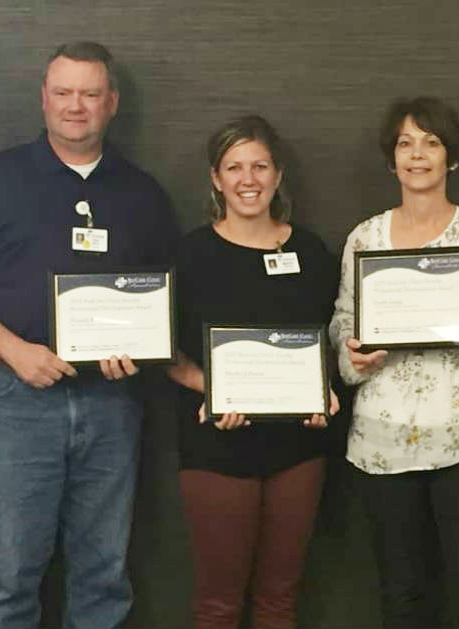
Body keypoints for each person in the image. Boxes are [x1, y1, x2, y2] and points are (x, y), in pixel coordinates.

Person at [0, 42, 178, 628]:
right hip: (13, 402)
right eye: (63, 92)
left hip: (111, 403)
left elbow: (161, 300)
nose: (76, 106)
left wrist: (138, 353)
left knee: (103, 573)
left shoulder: (142, 193)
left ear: (111, 103)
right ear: (43, 99)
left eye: (90, 93)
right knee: (12, 577)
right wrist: (15, 352)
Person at [329, 96, 459, 627]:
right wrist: (353, 354)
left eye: (431, 142)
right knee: (401, 596)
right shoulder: (364, 238)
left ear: (452, 159)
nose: (417, 155)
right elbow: (342, 336)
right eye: (405, 143)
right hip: (382, 442)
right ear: (391, 159)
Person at [166, 115, 339, 628]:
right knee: (219, 603)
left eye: (260, 165)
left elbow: (328, 339)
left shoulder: (309, 252)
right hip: (216, 444)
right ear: (216, 179)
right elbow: (164, 353)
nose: (249, 179)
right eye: (234, 167)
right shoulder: (190, 253)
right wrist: (214, 390)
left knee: (280, 600)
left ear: (278, 175)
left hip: (298, 447)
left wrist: (323, 392)